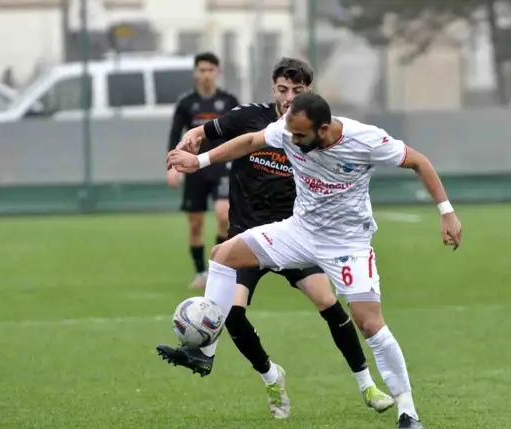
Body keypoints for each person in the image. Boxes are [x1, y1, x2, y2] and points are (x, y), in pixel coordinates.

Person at [167, 91, 463, 429]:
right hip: (299, 232)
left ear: (323, 129)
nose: (290, 140)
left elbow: (418, 162)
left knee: (369, 323)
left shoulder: (365, 139)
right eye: (289, 133)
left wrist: (446, 212)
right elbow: (249, 140)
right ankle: (205, 350)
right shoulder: (289, 128)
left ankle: (407, 412)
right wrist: (199, 161)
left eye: (299, 136)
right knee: (222, 255)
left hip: (347, 243)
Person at [158, 58, 394, 419]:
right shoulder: (250, 117)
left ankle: (367, 384)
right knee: (230, 313)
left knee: (329, 304)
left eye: (297, 92)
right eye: (283, 90)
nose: (288, 98)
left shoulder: (314, 130)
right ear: (273, 89)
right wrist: (190, 140)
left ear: (308, 93)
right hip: (248, 238)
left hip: (295, 236)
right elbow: (205, 132)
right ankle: (270, 375)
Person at [167, 52, 240, 288]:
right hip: (193, 168)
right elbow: (174, 135)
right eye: (202, 70)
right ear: (195, 73)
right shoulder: (186, 103)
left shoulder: (229, 102)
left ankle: (218, 269)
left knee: (222, 214)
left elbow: (240, 135)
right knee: (195, 223)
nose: (206, 75)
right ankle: (200, 273)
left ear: (217, 73)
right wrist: (173, 166)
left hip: (221, 165)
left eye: (210, 70)